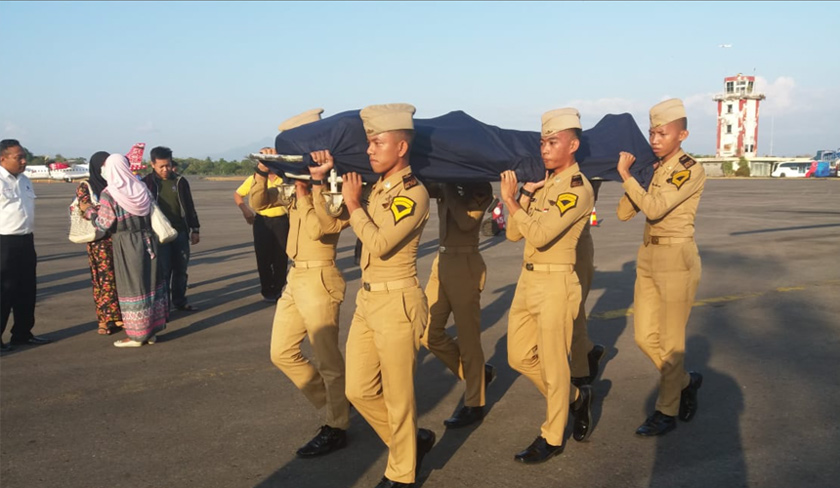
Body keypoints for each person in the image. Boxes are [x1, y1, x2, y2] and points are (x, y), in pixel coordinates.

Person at [340, 103, 434, 488]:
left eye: (378, 142)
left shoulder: (414, 193)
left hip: (398, 303)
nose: (370, 150)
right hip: (368, 301)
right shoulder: (378, 187)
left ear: (401, 148)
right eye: (368, 143)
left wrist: (352, 205)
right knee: (357, 389)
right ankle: (411, 442)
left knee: (399, 398)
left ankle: (403, 474)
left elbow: (379, 243)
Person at [250, 108, 351, 460]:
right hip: (296, 277)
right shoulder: (293, 185)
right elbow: (258, 203)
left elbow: (326, 227)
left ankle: (337, 425)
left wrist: (315, 185)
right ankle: (338, 407)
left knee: (328, 361)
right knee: (281, 353)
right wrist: (263, 172)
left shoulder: (338, 183)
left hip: (321, 276)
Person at [500, 108, 595, 464]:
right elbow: (512, 234)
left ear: (573, 144)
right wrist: (524, 193)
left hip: (556, 281)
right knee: (519, 355)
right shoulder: (545, 186)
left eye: (552, 142)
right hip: (528, 280)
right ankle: (575, 397)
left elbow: (538, 233)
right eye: (542, 142)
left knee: (555, 365)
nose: (544, 149)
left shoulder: (576, 188)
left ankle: (552, 437)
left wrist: (509, 200)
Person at [615, 98, 705, 436]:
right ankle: (685, 382)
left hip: (676, 260)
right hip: (648, 258)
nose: (654, 139)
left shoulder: (688, 169)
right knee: (643, 336)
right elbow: (625, 213)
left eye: (662, 133)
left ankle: (665, 411)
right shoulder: (654, 169)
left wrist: (626, 175)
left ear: (682, 135)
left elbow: (654, 209)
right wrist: (639, 175)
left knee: (670, 343)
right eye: (652, 133)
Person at [422, 182, 496, 428]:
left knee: (468, 339)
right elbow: (423, 189)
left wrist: (449, 188)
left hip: (465, 262)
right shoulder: (446, 181)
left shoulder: (480, 187)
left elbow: (467, 223)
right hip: (441, 262)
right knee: (428, 334)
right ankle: (476, 375)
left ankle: (475, 403)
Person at [86, 154, 167, 347]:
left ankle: (136, 335)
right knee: (150, 283)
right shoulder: (141, 188)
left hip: (126, 243)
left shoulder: (110, 193)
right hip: (148, 240)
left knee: (132, 286)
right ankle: (151, 331)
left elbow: (104, 224)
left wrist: (90, 212)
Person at [0, 139, 51, 351]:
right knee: (4, 292)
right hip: (4, 243)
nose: (23, 161)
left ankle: (22, 334)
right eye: (18, 157)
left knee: (27, 290)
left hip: (25, 240)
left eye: (24, 157)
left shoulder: (25, 180)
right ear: (2, 159)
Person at [142, 146, 200, 312]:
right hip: (159, 235)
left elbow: (189, 206)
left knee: (181, 269)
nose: (165, 169)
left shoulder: (180, 182)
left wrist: (195, 229)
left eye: (167, 165)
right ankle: (164, 306)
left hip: (180, 232)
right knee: (164, 271)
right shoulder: (147, 183)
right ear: (152, 164)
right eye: (161, 166)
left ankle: (180, 301)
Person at [234, 147, 293, 301]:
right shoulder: (255, 178)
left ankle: (278, 288)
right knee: (263, 257)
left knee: (281, 257)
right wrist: (245, 210)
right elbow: (238, 194)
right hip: (262, 222)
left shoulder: (285, 178)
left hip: (282, 221)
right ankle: (267, 290)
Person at [77, 151, 123, 335]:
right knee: (103, 280)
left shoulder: (116, 184)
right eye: (102, 165)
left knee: (120, 278)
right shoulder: (85, 186)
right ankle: (105, 319)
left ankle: (119, 316)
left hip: (118, 237)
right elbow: (84, 206)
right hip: (100, 240)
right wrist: (100, 212)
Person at [570, 180, 606, 387]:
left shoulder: (588, 171)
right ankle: (588, 350)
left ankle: (580, 369)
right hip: (547, 247)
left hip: (576, 244)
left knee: (573, 311)